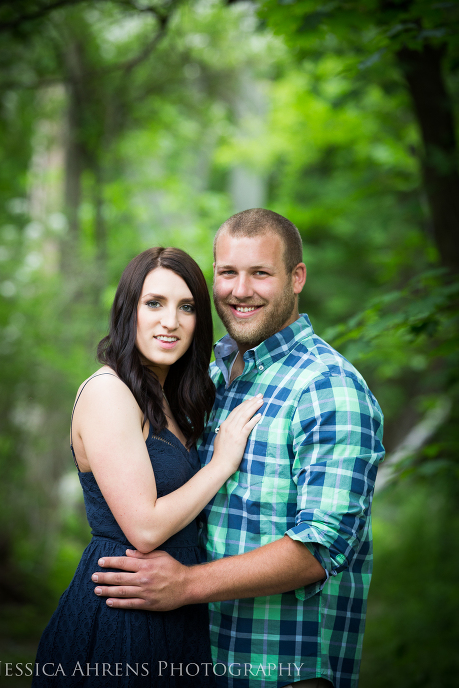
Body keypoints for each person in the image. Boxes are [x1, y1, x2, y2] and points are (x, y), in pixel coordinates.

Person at [91, 210, 385, 688]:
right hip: (196, 658)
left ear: (297, 277)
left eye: (260, 273)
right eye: (227, 272)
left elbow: (320, 549)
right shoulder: (211, 379)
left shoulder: (327, 388)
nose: (240, 289)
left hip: (283, 668)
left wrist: (185, 585)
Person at [33, 246, 263, 687]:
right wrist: (221, 463)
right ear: (128, 310)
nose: (170, 321)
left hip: (175, 607)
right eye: (154, 303)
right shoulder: (109, 393)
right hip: (122, 613)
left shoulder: (168, 399)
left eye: (187, 307)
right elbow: (144, 528)